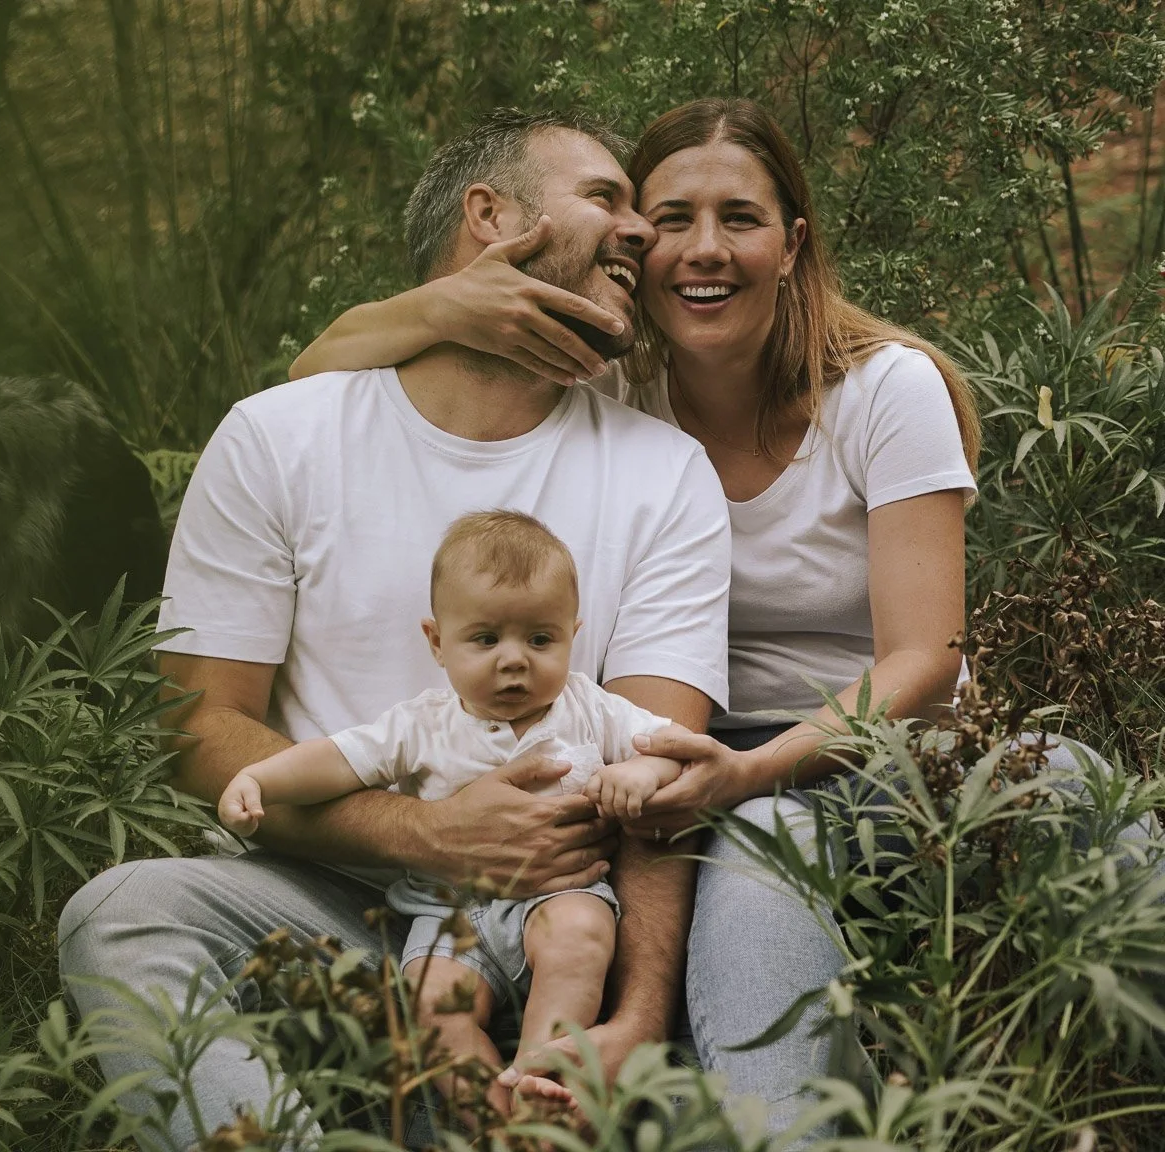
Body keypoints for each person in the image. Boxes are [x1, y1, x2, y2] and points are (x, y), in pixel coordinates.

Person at [288, 97, 985, 1141]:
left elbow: (926, 657)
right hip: (669, 751)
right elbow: (312, 374)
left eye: (739, 219)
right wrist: (442, 309)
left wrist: (749, 772)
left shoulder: (884, 390)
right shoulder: (615, 388)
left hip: (868, 754)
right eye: (668, 220)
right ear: (632, 246)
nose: (701, 251)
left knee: (761, 840)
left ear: (792, 245)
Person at [56, 107, 732, 1152]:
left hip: (562, 919)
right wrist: (424, 833)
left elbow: (659, 769)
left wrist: (632, 1014)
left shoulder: (659, 470)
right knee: (120, 914)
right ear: (489, 218)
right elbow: (198, 729)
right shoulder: (281, 437)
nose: (639, 232)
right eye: (604, 199)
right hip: (324, 901)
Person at [217, 510, 693, 1104]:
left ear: (574, 633)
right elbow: (338, 760)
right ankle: (491, 1119)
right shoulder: (423, 725)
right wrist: (262, 778)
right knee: (431, 1005)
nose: (514, 659)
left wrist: (640, 771)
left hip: (560, 895)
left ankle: (538, 1078)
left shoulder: (590, 708)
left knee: (580, 936)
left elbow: (673, 746)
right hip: (448, 915)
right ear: (438, 642)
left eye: (540, 639)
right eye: (486, 639)